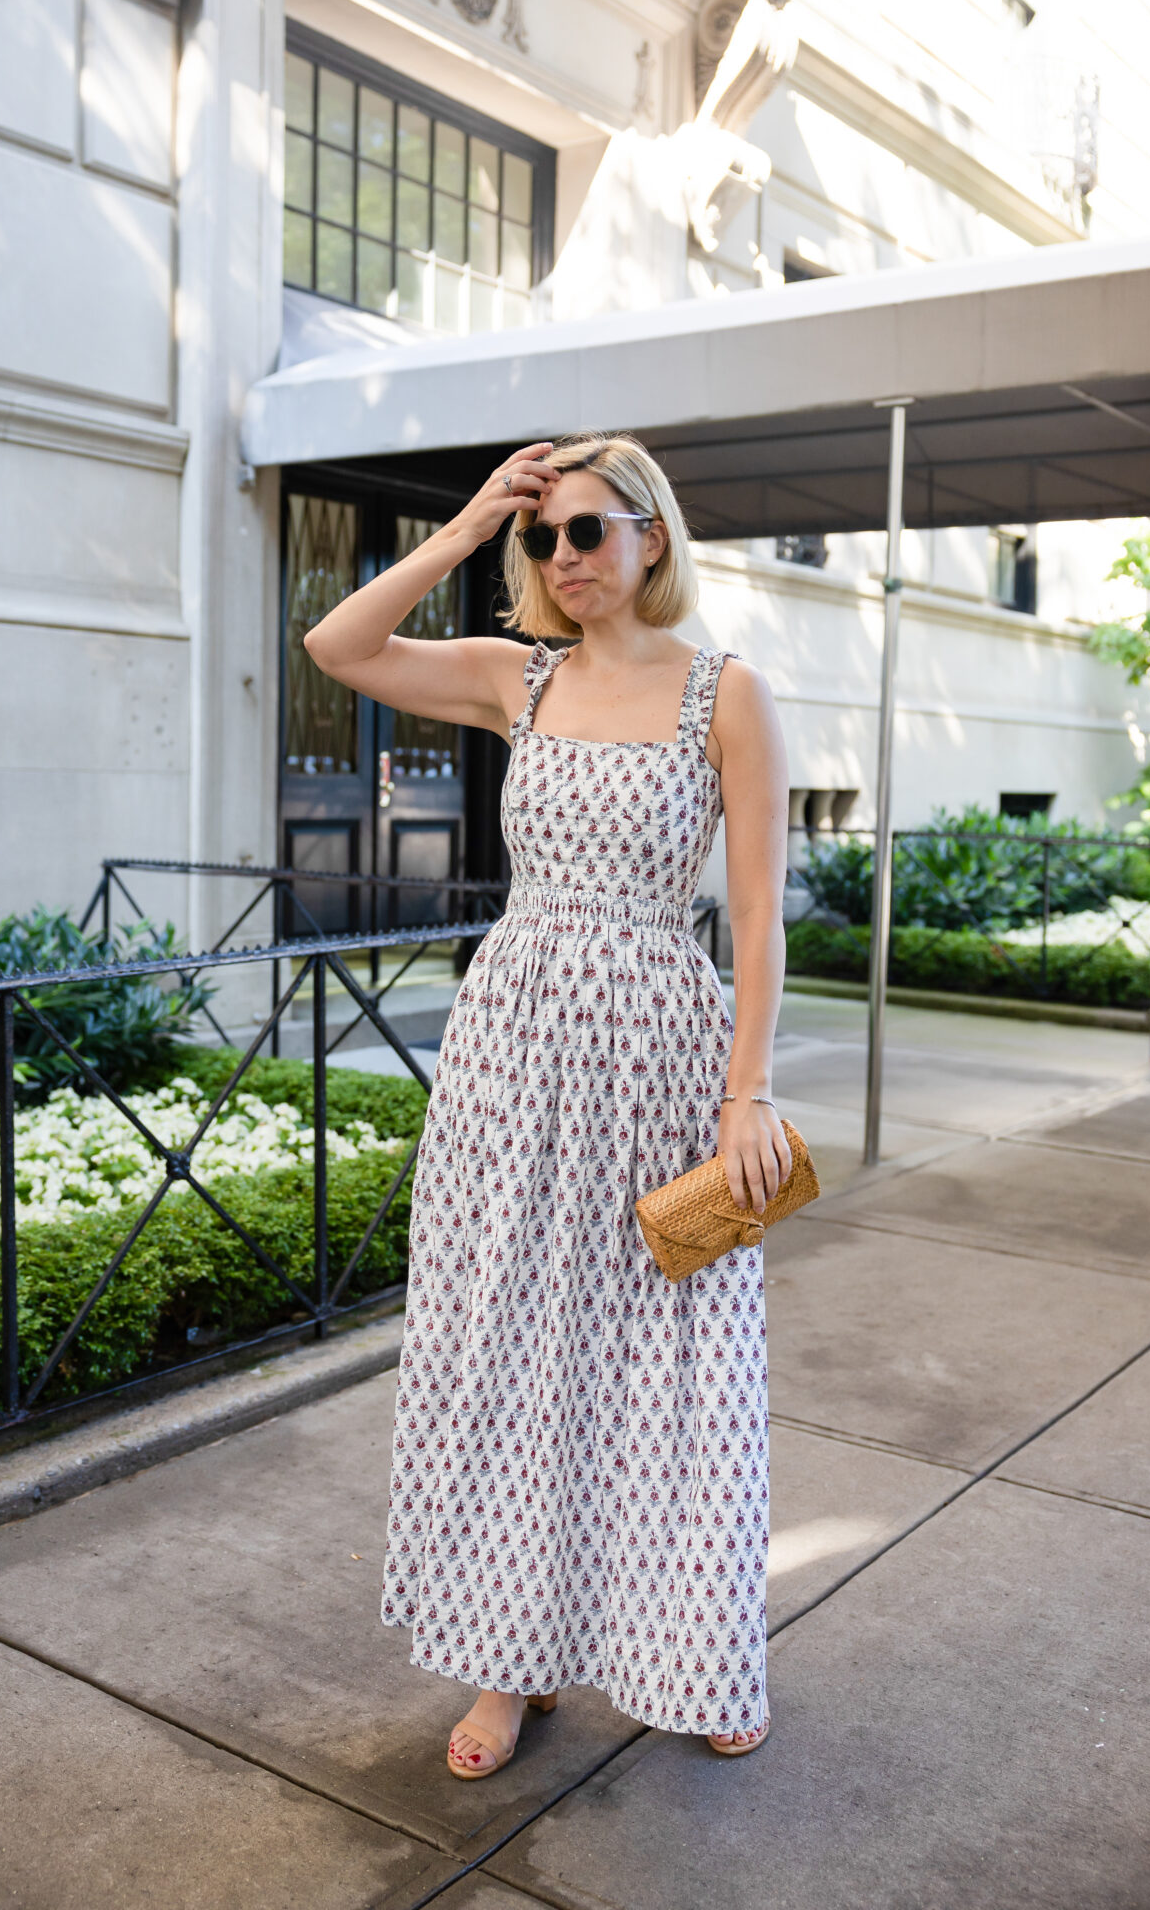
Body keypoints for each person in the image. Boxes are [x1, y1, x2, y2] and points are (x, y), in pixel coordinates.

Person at [303, 431, 791, 1776]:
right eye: (544, 537)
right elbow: (338, 647)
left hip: (664, 1063)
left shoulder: (724, 696)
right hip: (510, 1058)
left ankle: (697, 1650)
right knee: (507, 1359)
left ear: (649, 534)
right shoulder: (516, 679)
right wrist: (466, 527)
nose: (564, 557)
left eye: (587, 529)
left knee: (677, 1369)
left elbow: (753, 914)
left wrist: (747, 1092)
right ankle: (507, 1669)